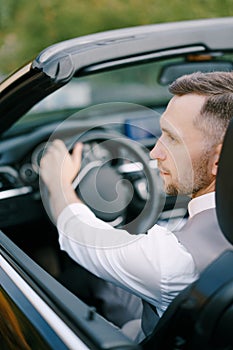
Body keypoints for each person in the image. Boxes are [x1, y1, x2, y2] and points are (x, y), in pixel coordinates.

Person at [40, 71, 233, 341]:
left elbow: (80, 236)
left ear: (218, 159)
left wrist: (59, 184)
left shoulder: (173, 262)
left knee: (81, 281)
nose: (155, 152)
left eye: (172, 138)